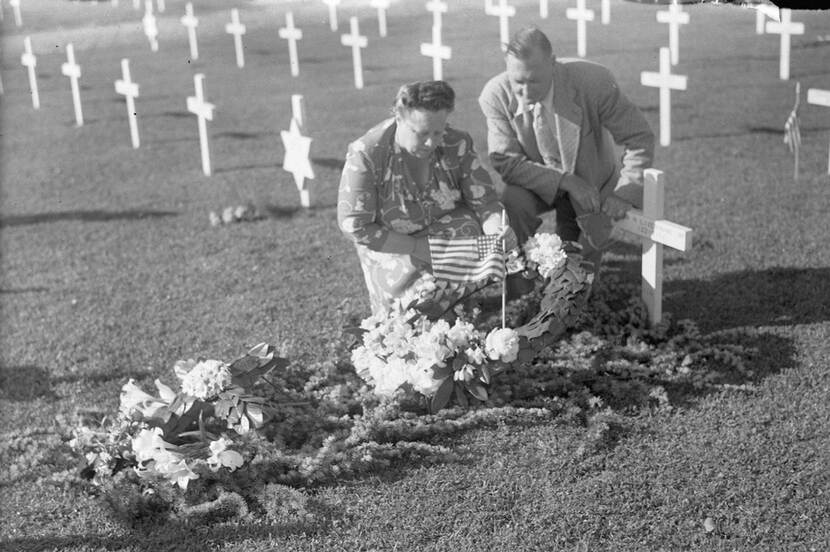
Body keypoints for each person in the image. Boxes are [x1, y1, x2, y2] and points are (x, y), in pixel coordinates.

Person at [478, 26, 655, 273]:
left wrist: (624, 193)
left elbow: (639, 138)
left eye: (534, 81)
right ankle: (518, 284)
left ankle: (571, 279)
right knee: (512, 203)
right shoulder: (495, 95)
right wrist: (565, 181)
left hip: (592, 183)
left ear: (552, 63)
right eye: (518, 82)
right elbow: (506, 162)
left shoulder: (594, 82)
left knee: (577, 279)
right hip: (536, 183)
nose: (526, 92)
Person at [338, 80, 517, 316]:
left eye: (438, 131)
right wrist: (416, 247)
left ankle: (459, 308)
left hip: (446, 242)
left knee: (453, 320)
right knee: (411, 323)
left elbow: (484, 201)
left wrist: (497, 228)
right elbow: (355, 226)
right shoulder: (367, 153)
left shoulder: (457, 143)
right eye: (421, 133)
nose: (431, 142)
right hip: (395, 247)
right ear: (398, 117)